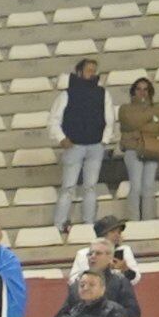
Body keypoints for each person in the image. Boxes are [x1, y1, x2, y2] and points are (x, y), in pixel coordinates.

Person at [50, 58, 112, 234]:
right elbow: (54, 120)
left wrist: (104, 140)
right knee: (68, 187)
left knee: (90, 187)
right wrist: (61, 138)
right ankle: (59, 224)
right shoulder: (67, 94)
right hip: (74, 146)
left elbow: (109, 119)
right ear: (79, 72)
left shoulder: (103, 93)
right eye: (88, 70)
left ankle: (89, 223)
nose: (92, 73)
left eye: (94, 70)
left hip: (95, 146)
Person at [115, 76, 159, 223]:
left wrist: (139, 128)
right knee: (135, 186)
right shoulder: (125, 109)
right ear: (133, 91)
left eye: (146, 89)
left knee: (149, 186)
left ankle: (149, 221)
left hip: (151, 149)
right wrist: (149, 120)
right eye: (139, 89)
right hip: (132, 149)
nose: (142, 92)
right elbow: (130, 122)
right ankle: (134, 220)